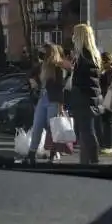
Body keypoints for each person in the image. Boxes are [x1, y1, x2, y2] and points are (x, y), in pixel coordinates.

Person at [66, 23, 103, 164]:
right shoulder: (89, 55)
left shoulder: (85, 56)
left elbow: (82, 80)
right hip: (87, 97)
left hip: (85, 98)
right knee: (85, 132)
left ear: (80, 36)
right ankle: (86, 161)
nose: (73, 37)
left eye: (75, 34)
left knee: (87, 132)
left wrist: (73, 70)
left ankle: (93, 161)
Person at [27, 42, 67, 165]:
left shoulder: (58, 67)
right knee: (37, 125)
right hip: (43, 98)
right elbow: (31, 74)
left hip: (53, 100)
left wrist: (61, 106)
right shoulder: (42, 66)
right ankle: (31, 153)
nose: (42, 54)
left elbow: (61, 87)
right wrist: (33, 82)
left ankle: (53, 154)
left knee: (53, 128)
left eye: (45, 52)